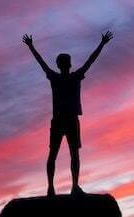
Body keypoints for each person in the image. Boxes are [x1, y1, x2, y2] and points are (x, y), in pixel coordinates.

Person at [22, 31, 113, 196]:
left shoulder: (61, 77)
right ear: (68, 64)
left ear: (60, 65)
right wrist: (102, 44)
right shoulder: (66, 77)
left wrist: (31, 47)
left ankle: (67, 186)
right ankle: (60, 187)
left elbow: (41, 62)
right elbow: (90, 61)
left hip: (66, 120)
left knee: (62, 154)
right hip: (64, 120)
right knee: (64, 154)